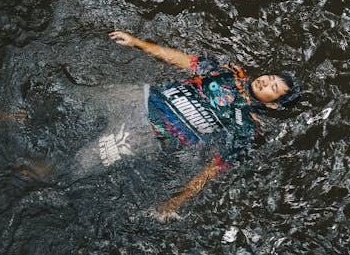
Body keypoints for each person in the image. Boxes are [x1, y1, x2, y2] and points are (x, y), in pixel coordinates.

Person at [104, 30, 301, 215]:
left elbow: (213, 169)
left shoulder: (247, 128)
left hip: (148, 134)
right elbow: (183, 60)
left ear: (274, 105)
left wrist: (175, 201)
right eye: (271, 77)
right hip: (140, 97)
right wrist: (137, 42)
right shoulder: (229, 72)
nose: (265, 82)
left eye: (273, 88)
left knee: (84, 161)